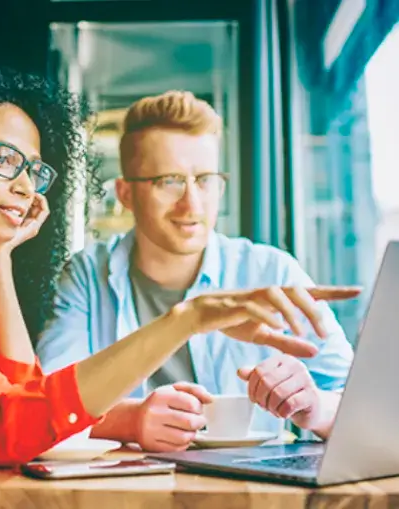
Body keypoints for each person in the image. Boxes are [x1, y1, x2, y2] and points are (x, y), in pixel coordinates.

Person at [0, 54, 359, 504]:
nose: (26, 187)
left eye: (33, 170)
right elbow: (12, 421)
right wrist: (186, 321)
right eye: (7, 161)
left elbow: (22, 408)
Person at [36, 91, 357, 452]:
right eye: (169, 181)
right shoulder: (87, 274)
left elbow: (365, 403)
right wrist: (131, 420)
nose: (192, 203)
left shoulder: (271, 270)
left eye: (205, 179)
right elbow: (45, 405)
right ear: (126, 194)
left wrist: (313, 407)